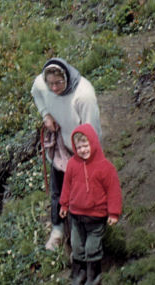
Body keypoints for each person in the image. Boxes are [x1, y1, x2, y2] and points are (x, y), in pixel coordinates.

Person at [31, 57, 101, 250]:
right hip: (62, 141)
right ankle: (57, 230)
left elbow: (91, 130)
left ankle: (83, 236)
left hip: (81, 147)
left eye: (58, 83)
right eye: (50, 84)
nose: (54, 88)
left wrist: (86, 157)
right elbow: (35, 90)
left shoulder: (84, 95)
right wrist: (46, 114)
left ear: (67, 78)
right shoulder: (43, 85)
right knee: (58, 189)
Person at [59, 124, 122, 285]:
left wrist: (114, 213)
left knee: (91, 248)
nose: (83, 150)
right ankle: (78, 274)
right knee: (77, 247)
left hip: (96, 217)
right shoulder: (73, 164)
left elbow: (114, 191)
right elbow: (66, 186)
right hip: (76, 216)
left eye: (86, 146)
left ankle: (94, 276)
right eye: (79, 147)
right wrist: (64, 205)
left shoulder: (105, 167)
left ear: (93, 143)